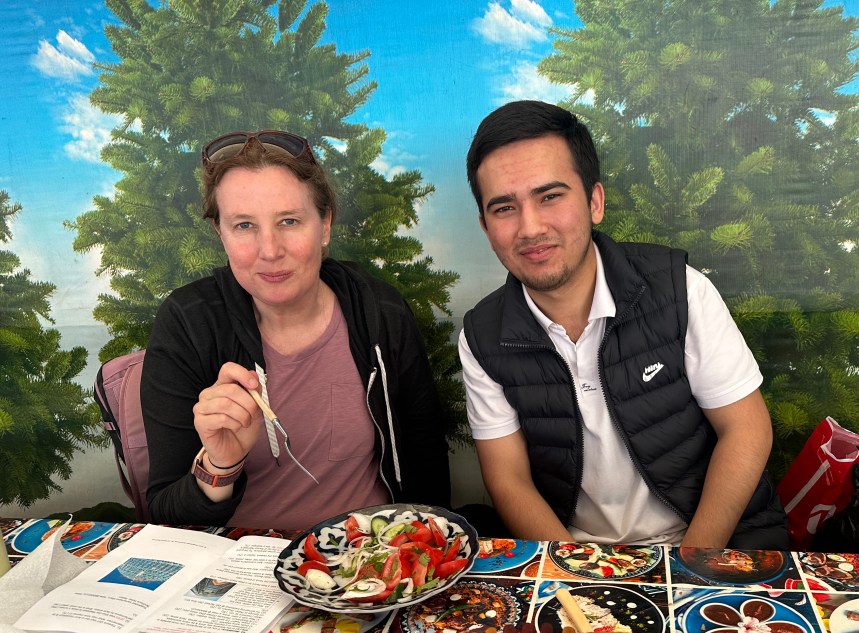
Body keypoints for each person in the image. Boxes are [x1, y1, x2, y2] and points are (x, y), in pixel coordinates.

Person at [459, 101, 787, 550]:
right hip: (574, 553)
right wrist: (575, 576)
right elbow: (508, 479)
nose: (530, 228)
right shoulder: (482, 336)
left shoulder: (680, 290)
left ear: (594, 201)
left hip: (710, 544)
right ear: (484, 226)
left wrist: (690, 566)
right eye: (504, 208)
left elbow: (746, 430)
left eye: (550, 197)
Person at [140, 129, 450, 529]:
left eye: (289, 221)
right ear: (221, 234)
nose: (270, 250)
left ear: (325, 225)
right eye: (244, 226)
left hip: (367, 552)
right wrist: (221, 464)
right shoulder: (188, 323)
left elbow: (427, 468)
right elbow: (164, 513)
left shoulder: (379, 313)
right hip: (239, 559)